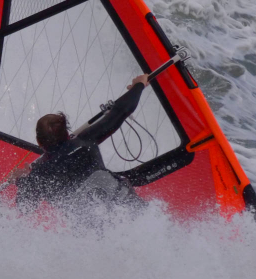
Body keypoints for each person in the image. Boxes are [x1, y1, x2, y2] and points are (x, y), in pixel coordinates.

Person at [10, 73, 151, 210]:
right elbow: (121, 111)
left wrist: (22, 180)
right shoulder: (86, 140)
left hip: (98, 230)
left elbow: (24, 208)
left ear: (39, 142)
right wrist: (139, 85)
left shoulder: (39, 173)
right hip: (131, 209)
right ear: (67, 132)